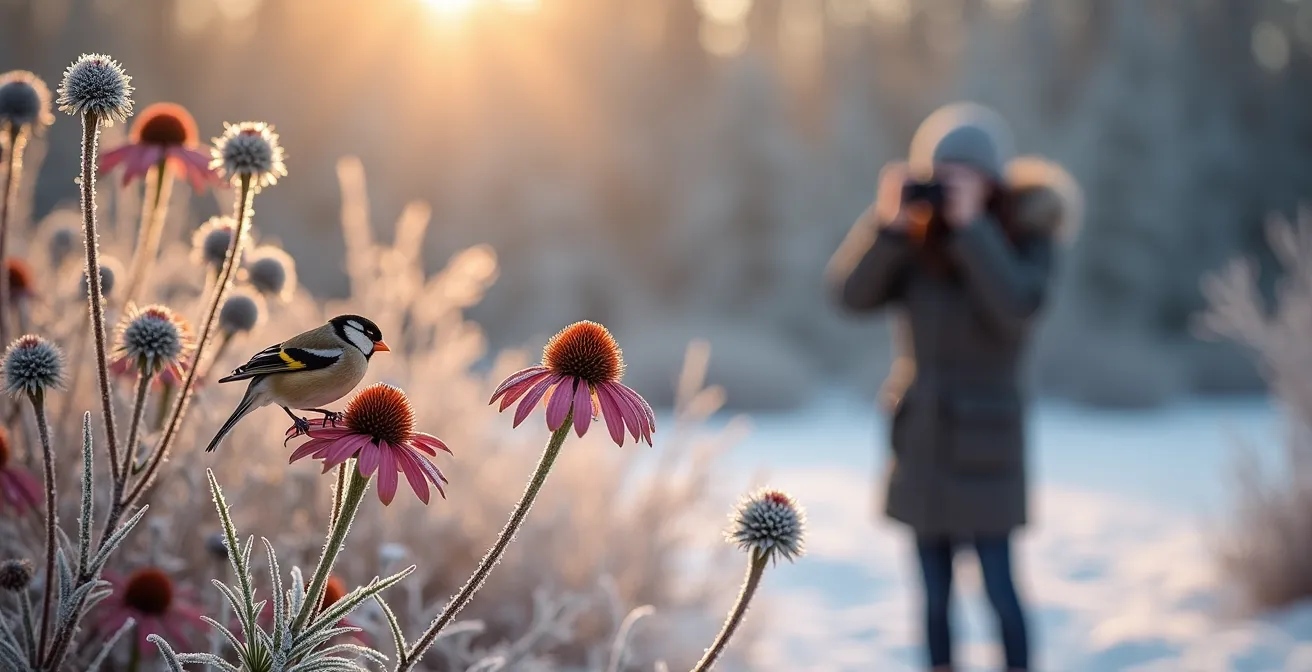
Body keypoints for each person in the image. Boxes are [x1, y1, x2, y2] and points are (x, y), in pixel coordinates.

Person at [826, 102, 1078, 672]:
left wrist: (974, 230)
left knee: (1000, 590)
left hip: (989, 445)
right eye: (940, 176)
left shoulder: (1026, 238)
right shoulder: (914, 243)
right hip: (922, 440)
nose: (950, 188)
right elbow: (848, 297)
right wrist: (887, 227)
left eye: (965, 176)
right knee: (933, 599)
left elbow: (1017, 307)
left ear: (994, 180)